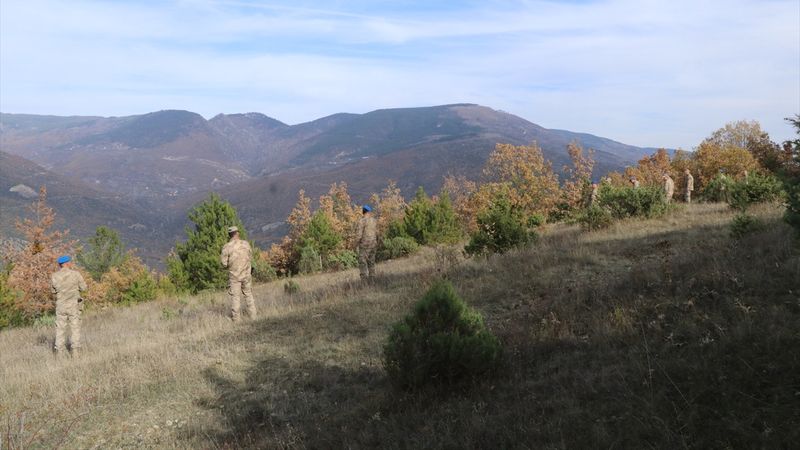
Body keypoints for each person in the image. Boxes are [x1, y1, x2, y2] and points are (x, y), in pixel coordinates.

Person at [51, 255, 87, 357]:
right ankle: (75, 352)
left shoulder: (54, 276)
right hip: (73, 306)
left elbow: (53, 291)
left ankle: (59, 353)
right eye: (70, 262)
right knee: (75, 327)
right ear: (67, 263)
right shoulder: (76, 274)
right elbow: (84, 288)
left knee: (60, 329)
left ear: (60, 265)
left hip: (61, 306)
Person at [220, 226, 256, 322]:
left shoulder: (226, 247)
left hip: (234, 277)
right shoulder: (246, 244)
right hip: (247, 274)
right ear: (237, 233)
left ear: (229, 235)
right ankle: (253, 317)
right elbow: (250, 257)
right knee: (248, 294)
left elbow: (223, 264)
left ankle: (236, 320)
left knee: (235, 298)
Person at [356, 205, 378, 281]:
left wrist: (356, 244)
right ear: (369, 212)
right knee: (371, 262)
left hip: (364, 245)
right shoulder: (374, 220)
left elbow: (359, 235)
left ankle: (364, 282)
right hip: (373, 244)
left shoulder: (361, 221)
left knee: (362, 262)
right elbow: (377, 233)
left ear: (363, 211)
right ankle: (373, 280)